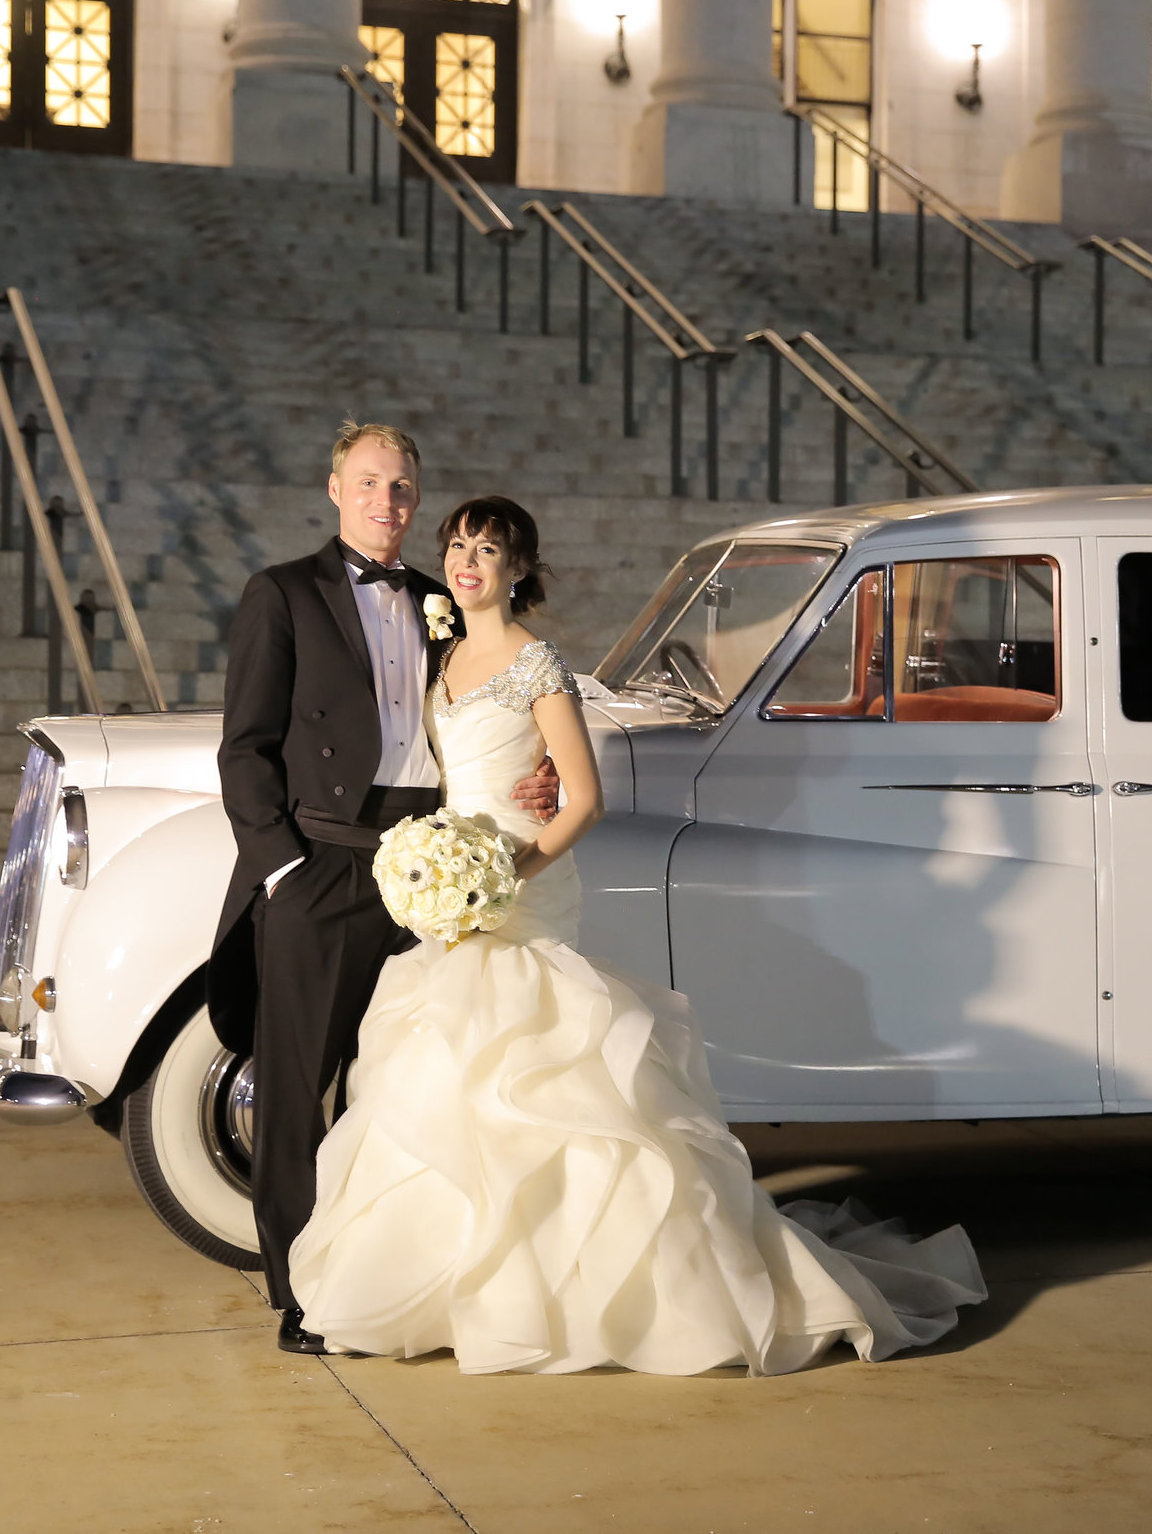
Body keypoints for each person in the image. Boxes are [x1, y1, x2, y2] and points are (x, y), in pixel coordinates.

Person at [287, 495, 986, 1375]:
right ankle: (453, 1287)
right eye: (459, 544)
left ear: (518, 570)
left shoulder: (536, 663)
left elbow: (582, 799)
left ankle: (590, 1298)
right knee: (442, 1074)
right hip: (455, 895)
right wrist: (444, 873)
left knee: (545, 1072)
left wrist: (503, 876)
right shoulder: (444, 653)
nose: (469, 560)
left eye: (489, 548)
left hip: (522, 891)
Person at [207, 422, 557, 1355]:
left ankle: (384, 1276)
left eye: (402, 488)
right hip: (320, 861)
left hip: (429, 867)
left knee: (401, 1084)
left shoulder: (444, 599)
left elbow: (497, 709)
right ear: (334, 487)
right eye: (369, 483)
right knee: (295, 1086)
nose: (387, 503)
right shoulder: (281, 592)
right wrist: (282, 867)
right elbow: (243, 747)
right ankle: (299, 1291)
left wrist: (543, 777)